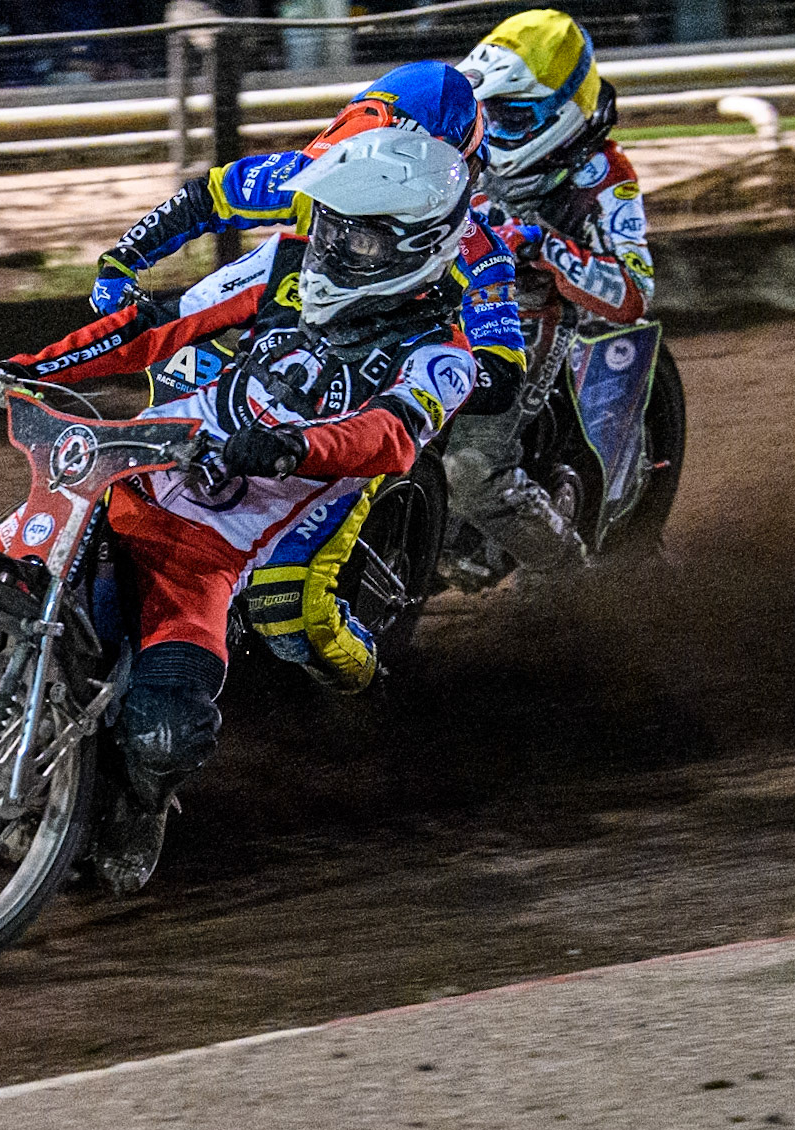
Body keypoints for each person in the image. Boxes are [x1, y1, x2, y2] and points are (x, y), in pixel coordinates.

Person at [0, 128, 481, 893]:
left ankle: (141, 800)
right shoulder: (282, 266)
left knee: (164, 732)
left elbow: (388, 436)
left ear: (421, 246)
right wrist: (24, 369)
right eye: (330, 225)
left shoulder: (443, 355)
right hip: (123, 477)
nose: (332, 249)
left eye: (359, 239)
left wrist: (293, 449)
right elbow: (151, 329)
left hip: (207, 556)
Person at [88, 61, 526, 691]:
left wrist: (432, 378)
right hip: (274, 345)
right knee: (164, 397)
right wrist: (123, 261)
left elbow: (503, 371)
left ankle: (380, 691)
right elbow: (206, 196)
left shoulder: (477, 247)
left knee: (289, 610)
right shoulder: (318, 170)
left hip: (366, 400)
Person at [454, 9, 653, 570]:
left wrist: (545, 246)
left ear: (565, 113)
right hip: (439, 302)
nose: (492, 131)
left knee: (470, 471)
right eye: (484, 113)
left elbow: (634, 292)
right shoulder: (461, 146)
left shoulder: (603, 174)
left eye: (511, 116)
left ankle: (570, 574)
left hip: (532, 317)